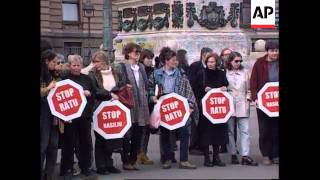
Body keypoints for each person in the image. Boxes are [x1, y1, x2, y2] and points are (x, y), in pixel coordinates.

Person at [149, 47, 198, 170]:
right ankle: (167, 159)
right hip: (164, 107)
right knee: (166, 134)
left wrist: (190, 103)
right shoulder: (157, 74)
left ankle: (184, 160)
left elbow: (188, 89)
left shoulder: (181, 73)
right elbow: (149, 88)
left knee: (184, 132)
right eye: (173, 60)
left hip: (179, 107)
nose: (175, 62)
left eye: (176, 60)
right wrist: (152, 97)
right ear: (166, 61)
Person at [88, 51, 125, 175]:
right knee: (100, 138)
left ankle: (109, 164)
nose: (95, 64)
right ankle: (101, 166)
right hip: (99, 108)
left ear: (104, 61)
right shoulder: (92, 74)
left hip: (114, 107)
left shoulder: (115, 71)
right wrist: (109, 94)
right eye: (94, 62)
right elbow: (95, 91)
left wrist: (118, 91)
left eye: (97, 61)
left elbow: (121, 84)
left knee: (111, 136)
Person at [60, 55, 95, 179]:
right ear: (69, 66)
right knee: (68, 144)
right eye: (73, 65)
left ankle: (86, 167)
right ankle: (67, 169)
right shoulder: (64, 78)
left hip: (84, 117)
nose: (76, 68)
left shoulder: (87, 79)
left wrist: (89, 94)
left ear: (82, 66)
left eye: (78, 65)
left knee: (85, 143)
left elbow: (93, 95)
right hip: (69, 118)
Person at [117, 43, 150, 170]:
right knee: (127, 133)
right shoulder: (122, 67)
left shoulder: (140, 67)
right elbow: (118, 83)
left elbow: (146, 84)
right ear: (129, 53)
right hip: (128, 104)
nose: (138, 54)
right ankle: (125, 160)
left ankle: (133, 159)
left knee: (139, 131)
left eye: (139, 52)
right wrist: (124, 86)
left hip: (141, 103)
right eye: (136, 52)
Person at [194, 53, 229, 167]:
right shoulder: (201, 73)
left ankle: (216, 157)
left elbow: (226, 86)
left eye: (212, 62)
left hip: (218, 109)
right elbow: (196, 89)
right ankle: (206, 158)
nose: (210, 64)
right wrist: (205, 90)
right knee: (206, 133)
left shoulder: (221, 73)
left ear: (216, 62)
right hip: (205, 108)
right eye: (208, 62)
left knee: (218, 132)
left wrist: (224, 88)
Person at [225, 52, 258, 166]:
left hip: (242, 103)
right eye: (236, 61)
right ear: (230, 61)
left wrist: (248, 98)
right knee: (230, 131)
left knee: (245, 131)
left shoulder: (245, 72)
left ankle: (245, 155)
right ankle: (233, 154)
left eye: (240, 61)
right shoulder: (225, 72)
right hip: (229, 104)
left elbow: (249, 88)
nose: (238, 63)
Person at [250, 40, 279, 165]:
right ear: (267, 51)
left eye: (276, 51)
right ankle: (266, 154)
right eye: (272, 51)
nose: (275, 53)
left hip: (276, 102)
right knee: (265, 129)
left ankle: (276, 154)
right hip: (263, 102)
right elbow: (253, 83)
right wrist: (255, 98)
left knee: (276, 129)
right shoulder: (259, 63)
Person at [188, 47, 213, 155]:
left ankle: (203, 145)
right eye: (208, 56)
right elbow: (191, 82)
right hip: (197, 97)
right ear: (203, 55)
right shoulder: (195, 66)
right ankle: (193, 146)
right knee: (195, 123)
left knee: (205, 123)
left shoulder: (210, 67)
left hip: (207, 99)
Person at [40, 50, 60, 180]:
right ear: (46, 61)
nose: (56, 65)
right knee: (42, 146)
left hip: (54, 115)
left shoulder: (55, 75)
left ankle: (50, 173)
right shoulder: (42, 75)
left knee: (53, 145)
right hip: (43, 115)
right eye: (54, 62)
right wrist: (48, 88)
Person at [137, 49, 155, 165]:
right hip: (140, 103)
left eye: (151, 58)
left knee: (146, 129)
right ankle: (138, 153)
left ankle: (143, 153)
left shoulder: (153, 71)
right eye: (148, 58)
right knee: (139, 129)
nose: (150, 61)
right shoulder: (139, 70)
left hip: (150, 103)